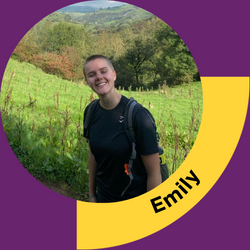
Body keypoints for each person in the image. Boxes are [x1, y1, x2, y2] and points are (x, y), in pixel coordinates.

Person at [83, 55, 162, 203]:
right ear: (87, 81)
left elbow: (154, 174)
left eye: (103, 71)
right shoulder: (91, 111)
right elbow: (93, 154)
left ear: (114, 74)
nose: (99, 77)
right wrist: (92, 194)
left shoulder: (139, 116)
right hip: (103, 200)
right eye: (92, 75)